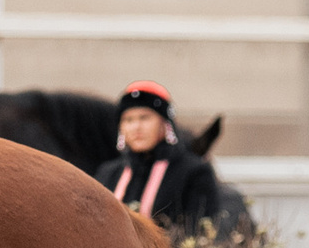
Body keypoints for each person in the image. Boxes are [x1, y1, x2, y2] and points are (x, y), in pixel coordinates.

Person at [93, 81, 230, 239]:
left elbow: (200, 234)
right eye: (128, 120)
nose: (136, 127)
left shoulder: (194, 172)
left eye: (145, 118)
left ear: (165, 124)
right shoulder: (109, 173)